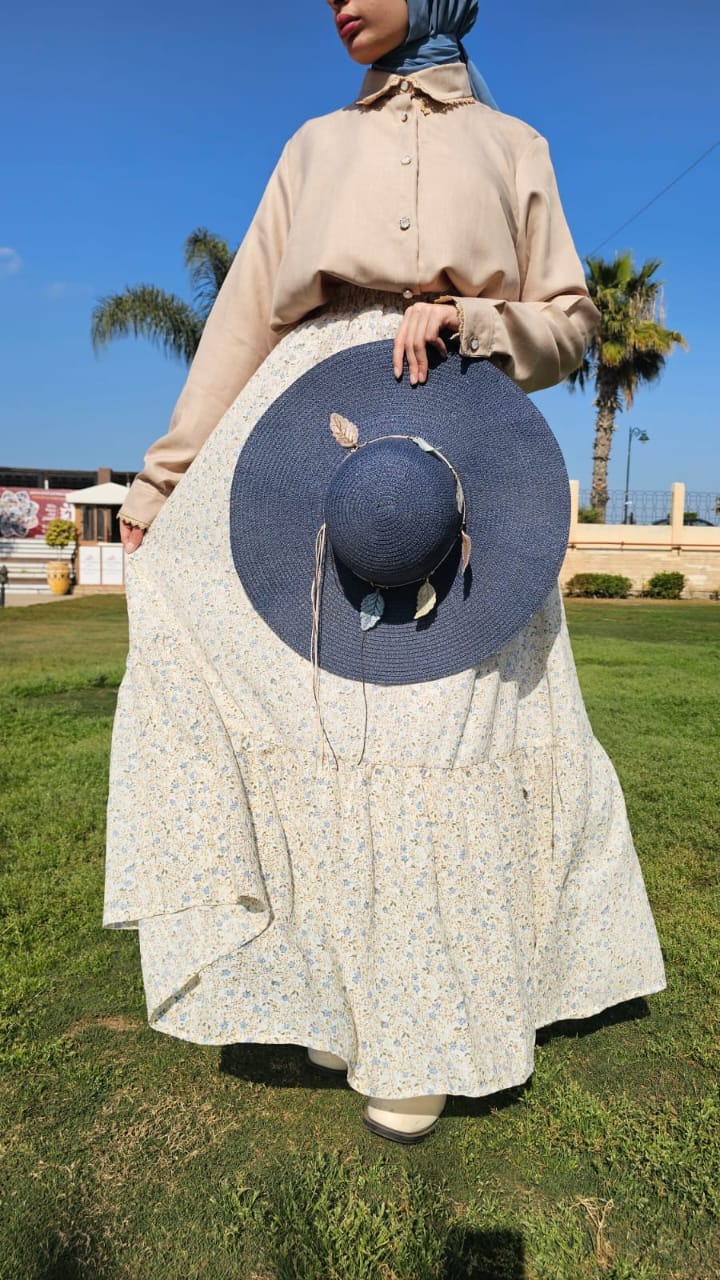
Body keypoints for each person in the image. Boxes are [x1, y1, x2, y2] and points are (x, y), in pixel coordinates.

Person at [106, 0, 665, 1144]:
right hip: (301, 437)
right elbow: (242, 321)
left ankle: (429, 1030)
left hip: (459, 440)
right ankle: (342, 990)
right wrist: (163, 482)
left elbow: (570, 324)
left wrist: (473, 320)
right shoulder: (315, 144)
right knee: (318, 720)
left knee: (443, 733)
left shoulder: (513, 146)